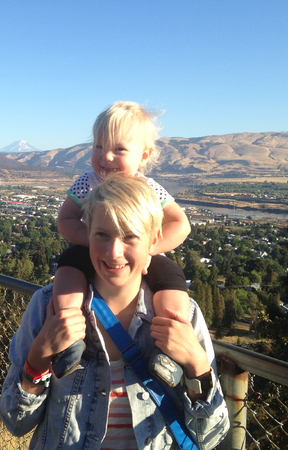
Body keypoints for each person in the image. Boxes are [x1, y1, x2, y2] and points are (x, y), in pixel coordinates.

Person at [0, 174, 229, 449]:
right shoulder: (46, 306)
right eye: (102, 235)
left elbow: (210, 437)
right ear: (87, 234)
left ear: (153, 241)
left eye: (130, 236)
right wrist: (38, 358)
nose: (113, 252)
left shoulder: (184, 316)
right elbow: (15, 422)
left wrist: (198, 367)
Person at [52, 101, 192, 381]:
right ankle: (69, 337)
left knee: (171, 278)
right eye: (99, 146)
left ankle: (170, 350)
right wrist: (93, 242)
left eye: (119, 149)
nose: (106, 157)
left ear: (143, 155)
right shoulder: (87, 183)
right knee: (68, 266)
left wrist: (149, 250)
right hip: (93, 249)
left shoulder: (148, 188)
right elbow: (65, 220)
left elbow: (181, 224)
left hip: (141, 253)